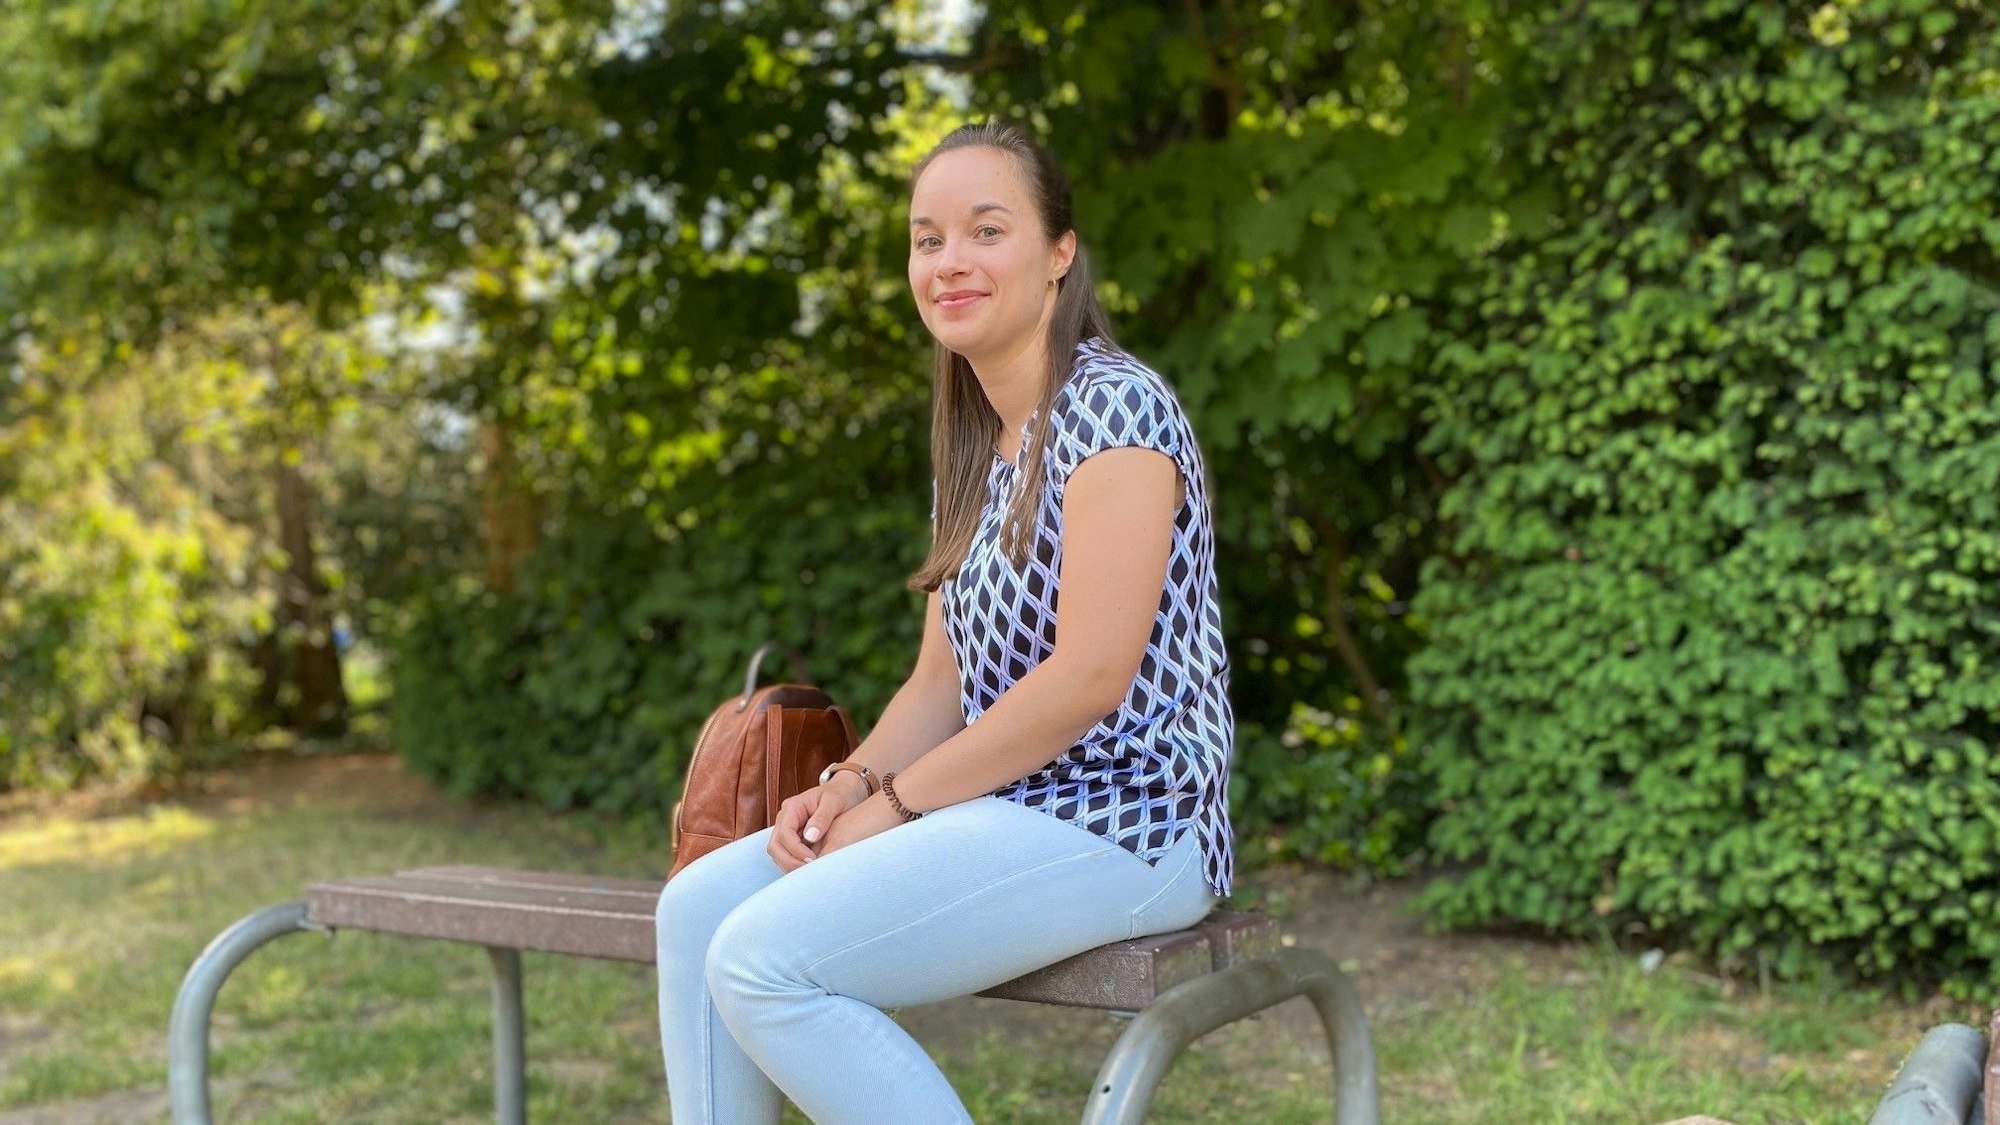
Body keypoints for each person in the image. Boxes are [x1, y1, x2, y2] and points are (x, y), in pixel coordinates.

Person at [654, 120, 1236, 1124]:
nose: (949, 261)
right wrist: (846, 787)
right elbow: (942, 683)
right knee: (699, 905)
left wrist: (900, 806)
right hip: (1004, 809)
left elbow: (1088, 677)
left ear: (1058, 254)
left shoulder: (1116, 412)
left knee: (763, 961)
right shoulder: (975, 446)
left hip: (1132, 820)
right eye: (927, 239)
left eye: (984, 230)